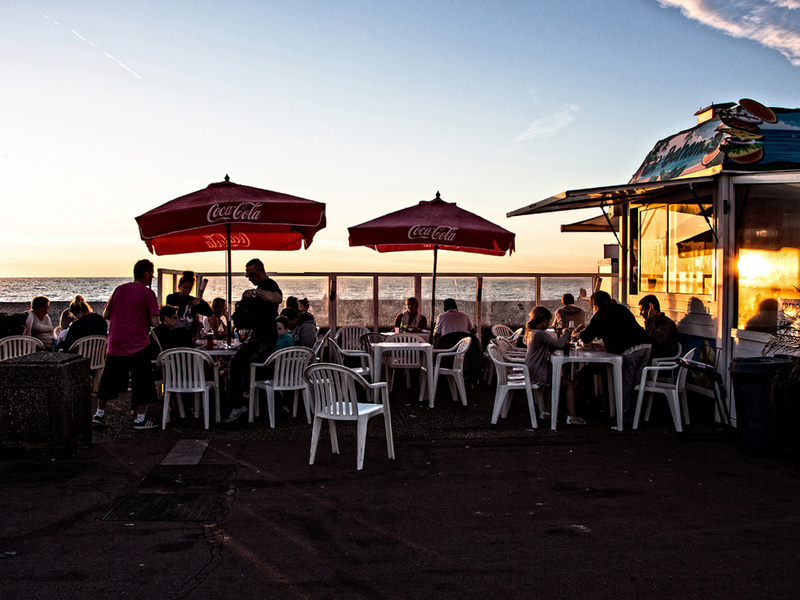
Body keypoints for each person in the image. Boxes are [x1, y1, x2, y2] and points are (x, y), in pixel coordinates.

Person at [92, 259, 160, 430]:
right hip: (137, 343)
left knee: (108, 380)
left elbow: (106, 314)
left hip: (116, 342)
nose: (152, 277)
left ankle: (99, 413)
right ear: (145, 274)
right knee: (142, 381)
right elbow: (155, 321)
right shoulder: (147, 293)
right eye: (152, 274)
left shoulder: (120, 289)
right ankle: (140, 418)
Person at [578, 290, 651, 423]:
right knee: (638, 382)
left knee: (626, 382)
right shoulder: (621, 308)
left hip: (630, 348)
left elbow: (586, 337)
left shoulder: (600, 314)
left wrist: (577, 334)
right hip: (646, 345)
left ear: (594, 304)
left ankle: (623, 418)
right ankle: (636, 415)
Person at [224, 258, 283, 424]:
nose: (249, 278)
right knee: (258, 369)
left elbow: (278, 297)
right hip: (261, 335)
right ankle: (279, 405)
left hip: (263, 336)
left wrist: (256, 293)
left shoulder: (269, 284)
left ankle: (237, 405)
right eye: (247, 275)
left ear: (260, 271)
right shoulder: (261, 288)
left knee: (235, 364)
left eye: (251, 274)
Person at [525, 306, 585, 425]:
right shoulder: (540, 333)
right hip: (538, 373)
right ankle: (571, 417)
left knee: (558, 382)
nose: (548, 324)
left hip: (532, 370)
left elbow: (552, 346)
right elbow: (559, 343)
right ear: (544, 319)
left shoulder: (533, 333)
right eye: (548, 321)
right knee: (569, 384)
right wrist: (567, 331)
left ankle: (547, 412)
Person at [165, 271, 212, 345]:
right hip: (174, 334)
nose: (187, 290)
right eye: (185, 287)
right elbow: (173, 304)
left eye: (190, 288)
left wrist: (201, 303)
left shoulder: (193, 301)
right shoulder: (172, 298)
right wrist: (190, 301)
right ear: (179, 287)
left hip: (189, 335)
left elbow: (209, 312)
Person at [638, 294, 679, 360]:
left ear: (650, 309)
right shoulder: (653, 323)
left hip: (662, 360)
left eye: (642, 310)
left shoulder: (668, 324)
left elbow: (655, 339)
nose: (640, 313)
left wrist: (650, 319)